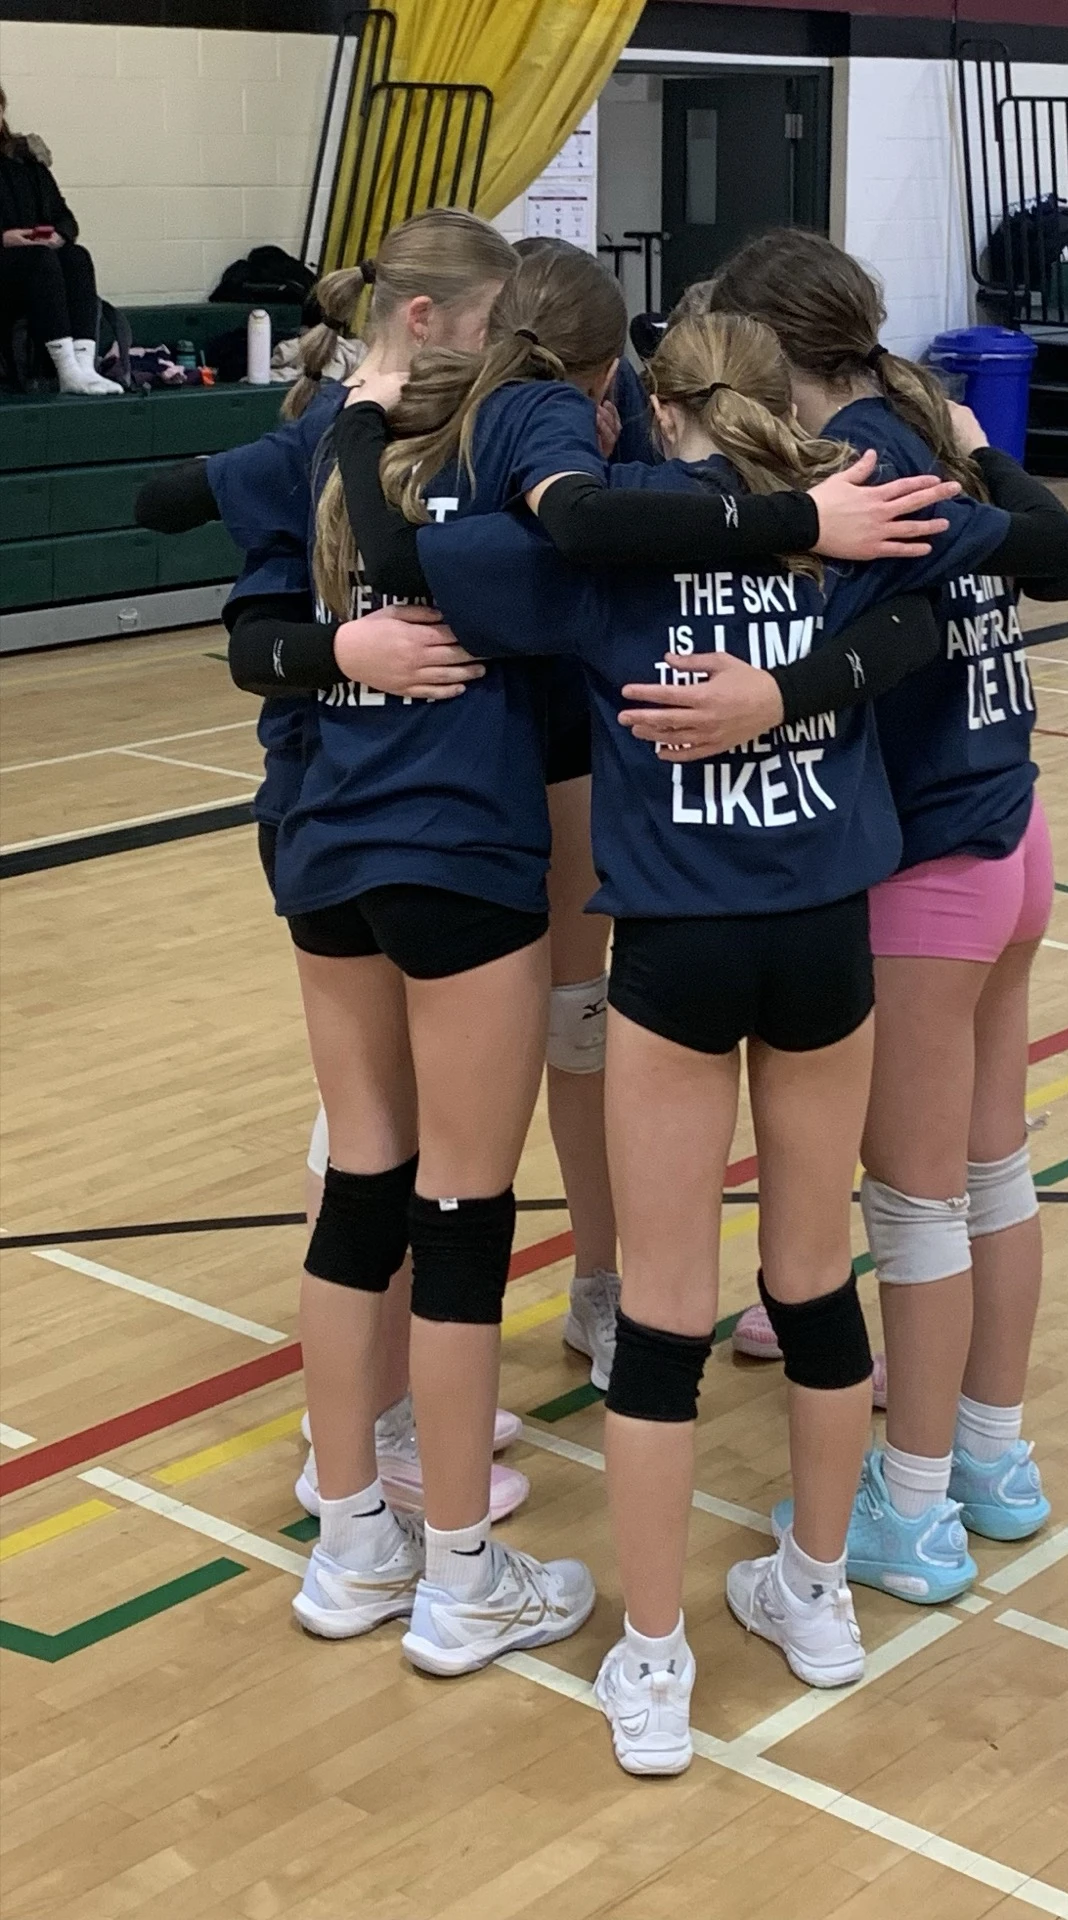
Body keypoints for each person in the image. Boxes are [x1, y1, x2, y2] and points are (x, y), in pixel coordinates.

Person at [250, 243, 960, 1679]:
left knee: (595, 1283)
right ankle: (810, 1601)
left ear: (656, 409)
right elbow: (974, 582)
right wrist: (798, 609)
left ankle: (607, 1642)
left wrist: (349, 438)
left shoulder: (583, 571)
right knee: (809, 1280)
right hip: (807, 933)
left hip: (425, 872)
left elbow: (428, 561)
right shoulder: (849, 521)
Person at [617, 228, 1068, 1606]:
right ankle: (994, 1459)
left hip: (930, 859)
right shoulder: (911, 436)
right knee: (991, 1169)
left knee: (918, 1203)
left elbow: (954, 606)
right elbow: (1037, 555)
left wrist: (776, 697)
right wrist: (977, 451)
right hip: (1012, 826)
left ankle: (918, 1501)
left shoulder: (862, 462)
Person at [137, 208, 530, 1524]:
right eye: (485, 323)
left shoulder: (445, 435)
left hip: (357, 834)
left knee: (382, 1160)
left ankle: (375, 1467)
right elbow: (183, 531)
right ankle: (388, 1481)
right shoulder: (351, 440)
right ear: (425, 321)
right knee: (409, 1169)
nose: (498, 349)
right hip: (371, 825)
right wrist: (336, 653)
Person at [0, 88, 118, 395]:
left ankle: (84, 366)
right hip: (11, 266)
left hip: (35, 262)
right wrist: (4, 239)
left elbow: (65, 216)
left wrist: (59, 235)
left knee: (76, 256)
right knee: (40, 260)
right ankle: (67, 369)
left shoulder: (28, 163)